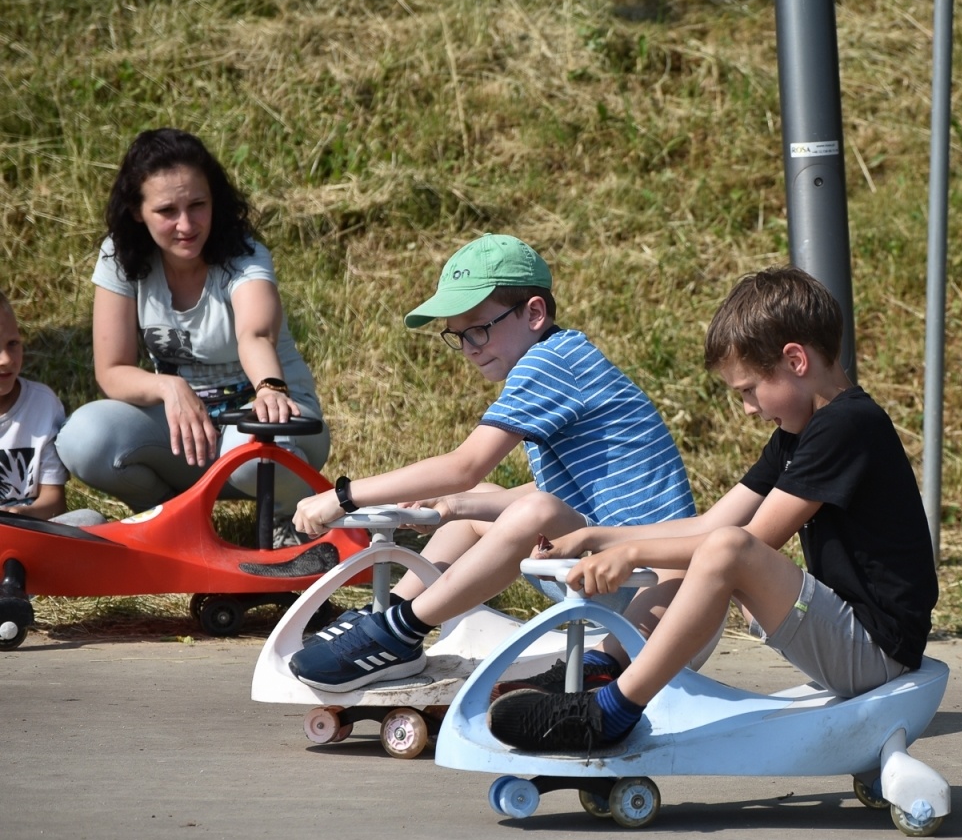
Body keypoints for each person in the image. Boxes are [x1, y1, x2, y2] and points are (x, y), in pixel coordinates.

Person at [487, 265, 938, 755]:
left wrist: (634, 549)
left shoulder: (847, 426)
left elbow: (751, 542)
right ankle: (605, 670)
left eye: (748, 389)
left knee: (729, 551)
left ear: (795, 360)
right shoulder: (799, 433)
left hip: (875, 653)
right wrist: (599, 538)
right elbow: (710, 522)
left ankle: (607, 713)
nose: (747, 408)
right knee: (713, 546)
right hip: (847, 636)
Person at [287, 233, 697, 692]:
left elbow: (467, 463)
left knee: (514, 505)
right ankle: (388, 619)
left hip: (650, 585)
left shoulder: (550, 364)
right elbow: (565, 488)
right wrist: (457, 505)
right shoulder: (563, 357)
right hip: (605, 560)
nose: (469, 348)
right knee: (473, 501)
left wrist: (343, 496)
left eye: (479, 329)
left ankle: (400, 630)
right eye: (457, 336)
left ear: (534, 313)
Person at [56, 129, 328, 544]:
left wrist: (270, 388)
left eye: (198, 205)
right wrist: (169, 386)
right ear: (136, 211)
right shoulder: (120, 257)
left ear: (214, 200)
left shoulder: (244, 254)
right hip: (185, 435)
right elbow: (112, 371)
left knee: (255, 451)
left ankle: (292, 515)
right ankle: (173, 518)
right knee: (83, 437)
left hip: (262, 424)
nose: (186, 225)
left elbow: (255, 335)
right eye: (167, 210)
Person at [0, 291, 102, 526]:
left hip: (30, 531)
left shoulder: (42, 404)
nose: (5, 359)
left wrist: (22, 516)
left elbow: (54, 502)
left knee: (91, 520)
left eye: (12, 343)